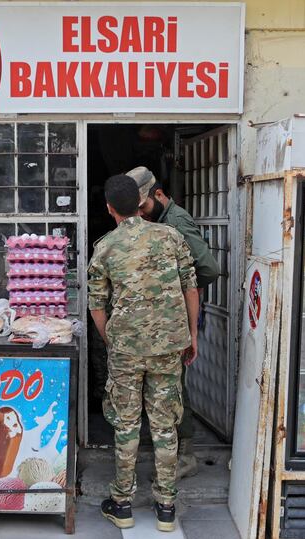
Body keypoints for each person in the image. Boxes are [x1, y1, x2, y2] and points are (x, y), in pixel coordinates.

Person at [88, 174, 199, 532]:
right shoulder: (170, 237)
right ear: (140, 202)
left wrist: (111, 340)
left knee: (127, 424)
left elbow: (97, 305)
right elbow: (190, 289)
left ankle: (122, 503)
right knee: (165, 425)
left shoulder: (105, 246)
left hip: (126, 350)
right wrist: (192, 335)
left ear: (109, 208)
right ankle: (166, 505)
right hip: (169, 346)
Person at [127, 165, 220, 479]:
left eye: (143, 207)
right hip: (163, 318)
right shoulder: (158, 221)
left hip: (177, 316)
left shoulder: (176, 221)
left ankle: (185, 454)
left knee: (175, 388)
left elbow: (208, 268)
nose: (139, 214)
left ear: (159, 194)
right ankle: (166, 445)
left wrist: (183, 289)